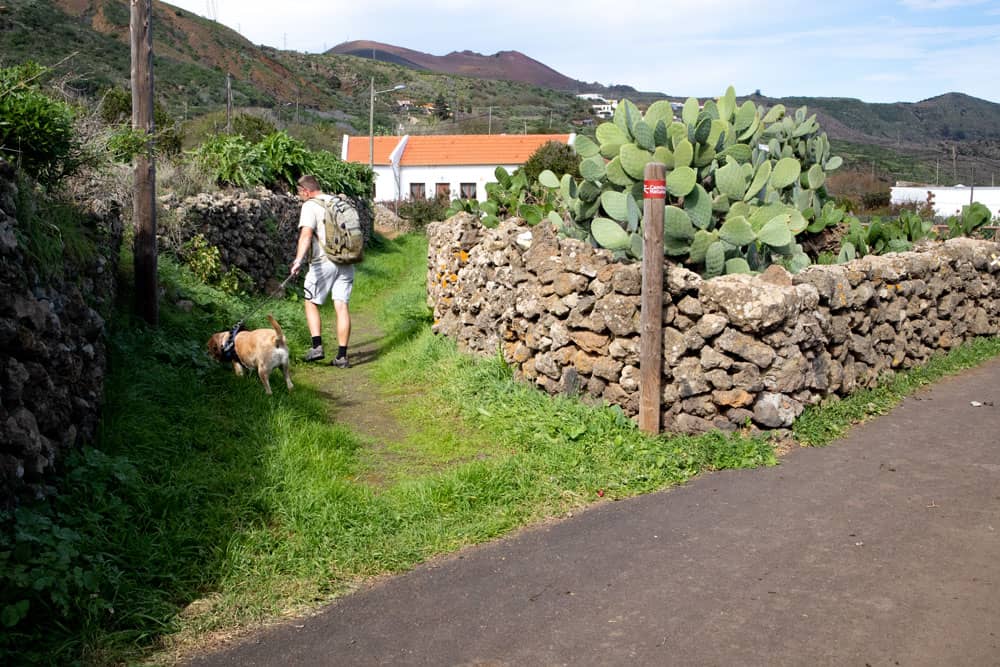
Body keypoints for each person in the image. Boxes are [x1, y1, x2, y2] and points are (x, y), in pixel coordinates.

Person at [289, 175, 353, 368]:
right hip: (347, 259)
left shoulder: (310, 205)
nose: (299, 197)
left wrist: (298, 261)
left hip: (323, 260)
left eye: (299, 193)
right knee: (341, 305)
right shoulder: (339, 202)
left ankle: (316, 346)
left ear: (306, 191)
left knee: (310, 301)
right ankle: (342, 357)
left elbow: (306, 235)